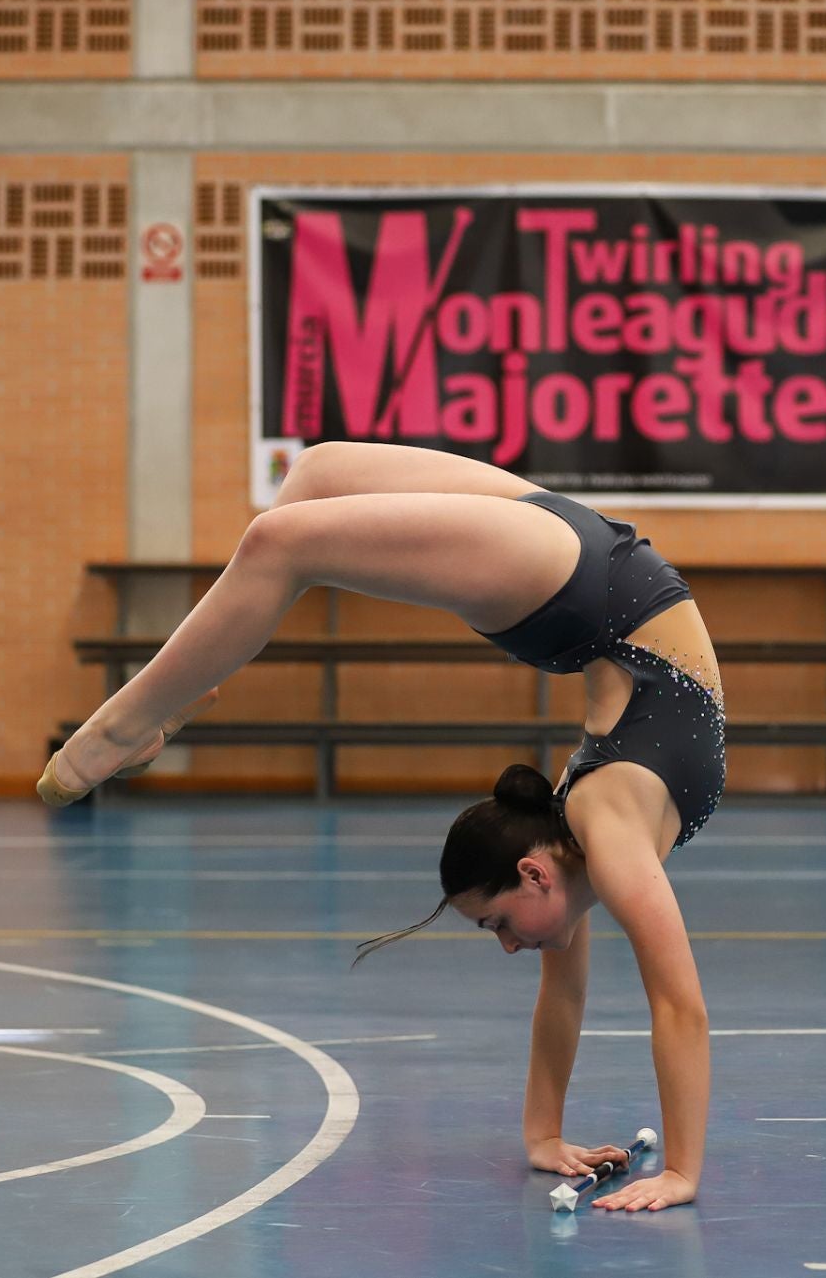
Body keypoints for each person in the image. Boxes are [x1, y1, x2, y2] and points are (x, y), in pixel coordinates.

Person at [37, 440, 726, 1212]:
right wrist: (681, 1172)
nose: (508, 943)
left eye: (495, 925)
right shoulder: (606, 833)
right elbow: (678, 1002)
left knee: (315, 481)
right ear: (534, 873)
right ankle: (129, 725)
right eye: (500, 924)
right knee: (284, 532)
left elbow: (563, 998)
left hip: (595, 572)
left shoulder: (580, 842)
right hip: (584, 587)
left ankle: (188, 689)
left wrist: (544, 1135)